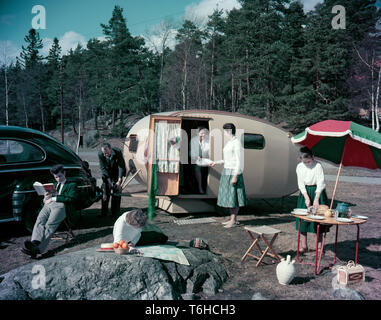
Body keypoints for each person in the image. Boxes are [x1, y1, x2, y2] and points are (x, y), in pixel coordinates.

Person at [22, 164, 77, 258]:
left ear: (64, 173)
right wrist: (45, 198)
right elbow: (47, 199)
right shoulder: (53, 185)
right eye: (56, 177)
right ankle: (35, 242)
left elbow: (71, 198)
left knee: (50, 225)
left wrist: (54, 198)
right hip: (48, 204)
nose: (58, 179)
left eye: (60, 176)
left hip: (62, 206)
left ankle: (38, 249)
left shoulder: (71, 185)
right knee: (39, 221)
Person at [210, 123, 247, 228]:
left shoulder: (236, 143)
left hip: (233, 172)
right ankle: (232, 219)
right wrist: (216, 162)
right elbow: (227, 159)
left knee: (233, 197)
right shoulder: (229, 143)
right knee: (229, 197)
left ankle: (233, 220)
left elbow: (239, 162)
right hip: (226, 171)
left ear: (228, 131)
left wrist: (235, 176)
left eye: (225, 131)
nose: (224, 133)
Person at [295, 146, 329, 254]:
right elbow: (300, 183)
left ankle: (319, 247)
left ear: (313, 157)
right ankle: (304, 246)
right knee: (303, 220)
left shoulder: (318, 166)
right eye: (304, 162)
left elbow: (320, 182)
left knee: (319, 220)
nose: (307, 164)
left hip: (317, 192)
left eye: (308, 161)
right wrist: (306, 197)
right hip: (305, 192)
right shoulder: (299, 167)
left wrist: (316, 199)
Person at [98, 142, 127, 217]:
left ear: (110, 149)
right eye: (104, 153)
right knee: (105, 193)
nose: (105, 155)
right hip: (107, 174)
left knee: (116, 193)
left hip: (116, 172)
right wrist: (109, 181)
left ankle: (115, 213)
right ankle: (104, 213)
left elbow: (121, 166)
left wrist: (119, 181)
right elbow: (103, 168)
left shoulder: (118, 152)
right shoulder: (100, 154)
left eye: (106, 153)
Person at [190, 127, 210, 194]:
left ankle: (208, 186)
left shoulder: (207, 140)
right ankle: (200, 187)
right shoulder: (193, 140)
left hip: (205, 158)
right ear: (197, 133)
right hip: (196, 159)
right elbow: (191, 152)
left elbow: (209, 150)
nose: (203, 135)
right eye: (201, 133)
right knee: (197, 168)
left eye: (204, 133)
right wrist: (196, 156)